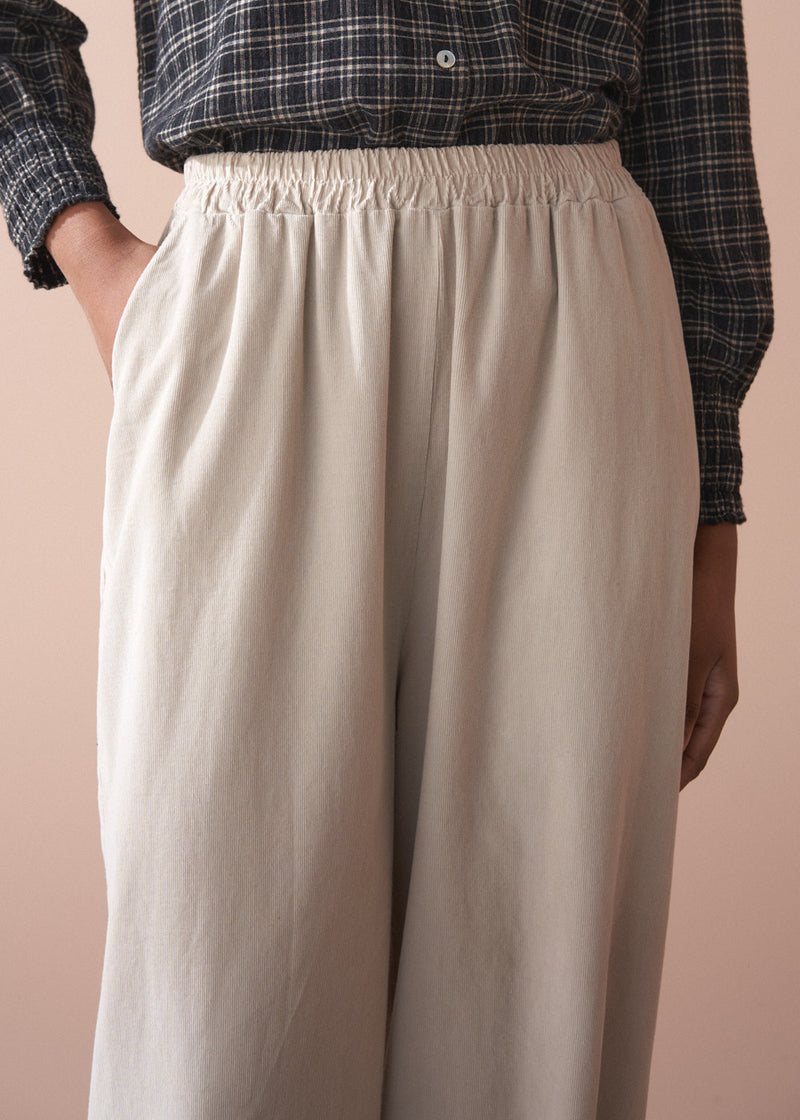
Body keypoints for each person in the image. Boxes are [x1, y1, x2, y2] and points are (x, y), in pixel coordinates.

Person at [0, 2, 774, 1118]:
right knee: (219, 975)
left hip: (572, 287)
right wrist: (85, 246)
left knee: (533, 988)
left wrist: (712, 522)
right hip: (256, 282)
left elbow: (695, 98)